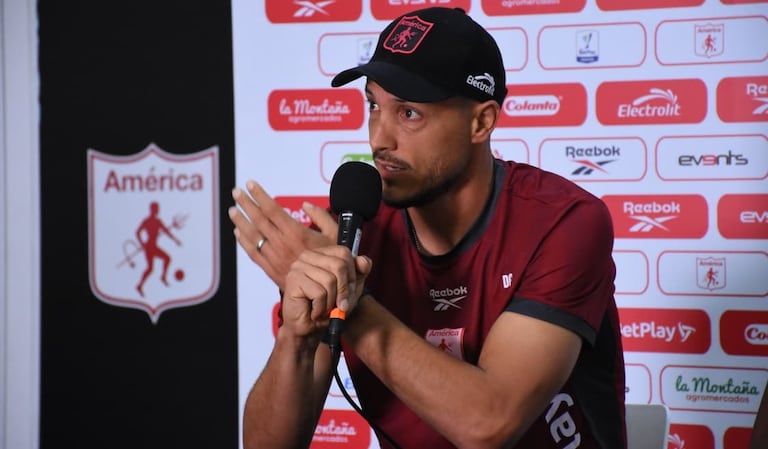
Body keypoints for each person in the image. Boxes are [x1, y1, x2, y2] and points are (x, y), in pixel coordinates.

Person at [229, 7, 626, 449]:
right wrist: (297, 338)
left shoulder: (564, 222)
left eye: (410, 114)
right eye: (374, 104)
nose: (380, 137)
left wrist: (350, 305)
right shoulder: (351, 233)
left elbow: (489, 425)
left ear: (482, 122)